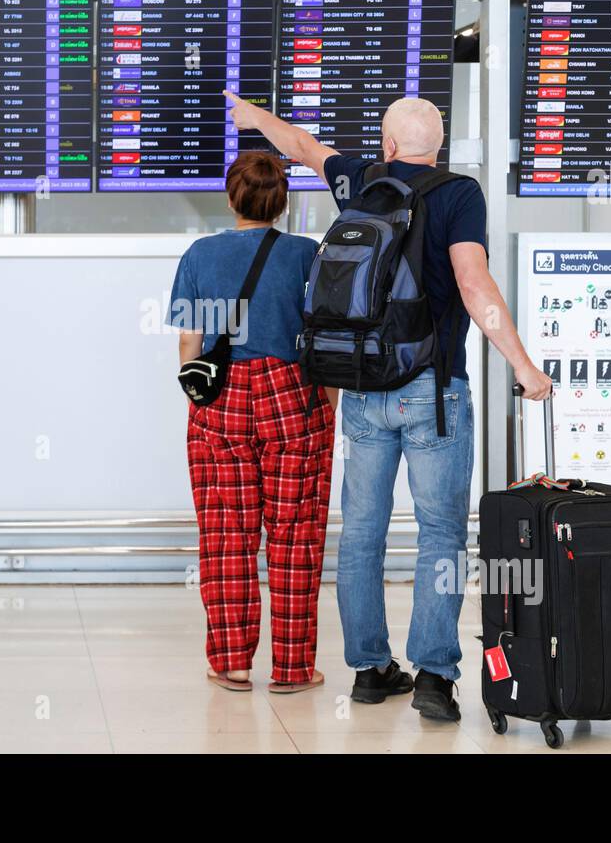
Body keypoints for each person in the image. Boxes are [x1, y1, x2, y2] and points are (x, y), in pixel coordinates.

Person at [223, 91, 552, 721]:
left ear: (390, 147)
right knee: (441, 534)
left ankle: (371, 671)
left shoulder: (362, 181)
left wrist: (254, 118)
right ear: (439, 146)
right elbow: (472, 283)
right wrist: (522, 365)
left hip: (363, 393)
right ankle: (432, 676)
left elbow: (301, 145)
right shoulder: (459, 194)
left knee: (363, 534)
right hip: (434, 392)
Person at [168, 151, 336, 695]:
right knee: (296, 535)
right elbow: (324, 338)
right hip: (294, 396)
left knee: (225, 535)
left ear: (231, 197)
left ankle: (233, 662)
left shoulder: (200, 254)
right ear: (283, 202)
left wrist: (200, 399)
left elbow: (190, 342)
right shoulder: (307, 254)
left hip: (222, 401)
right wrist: (325, 403)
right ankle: (291, 668)